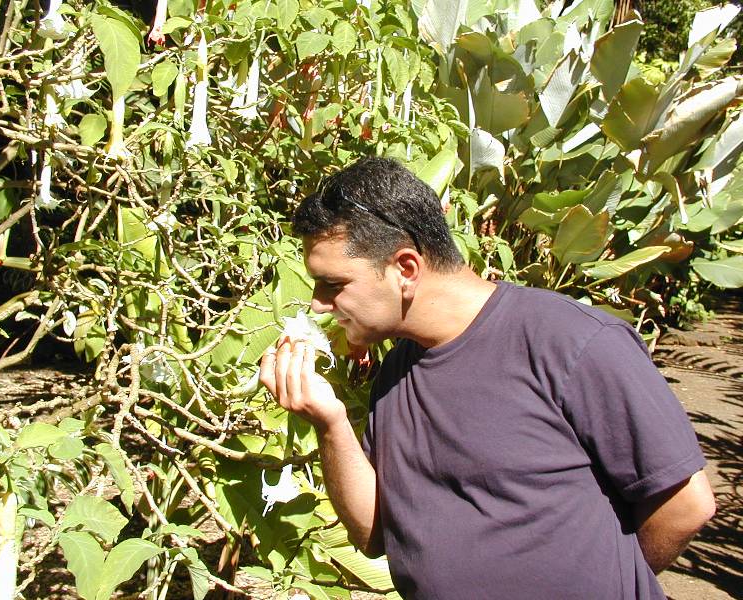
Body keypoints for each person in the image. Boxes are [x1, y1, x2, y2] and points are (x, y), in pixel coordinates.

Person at [259, 157, 715, 599]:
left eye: (333, 284)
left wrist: (612, 582)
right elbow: (374, 533)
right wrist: (330, 423)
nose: (317, 303)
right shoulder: (398, 369)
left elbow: (685, 506)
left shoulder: (570, 341)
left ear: (405, 269)